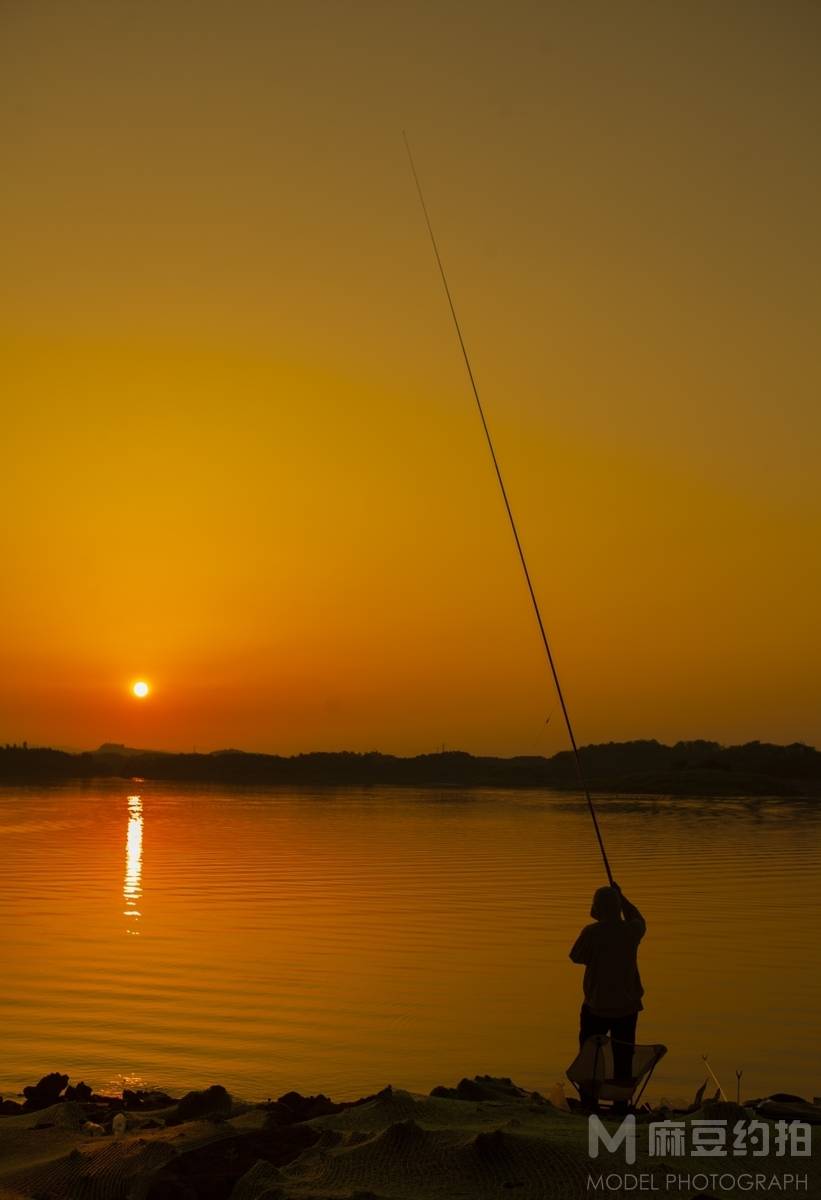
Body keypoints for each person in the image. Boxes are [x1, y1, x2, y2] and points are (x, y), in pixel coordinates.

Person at [569, 882, 646, 1084]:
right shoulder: (631, 931)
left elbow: (576, 957)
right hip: (627, 1008)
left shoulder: (591, 933)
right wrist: (623, 898)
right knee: (624, 1055)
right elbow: (639, 919)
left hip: (596, 1007)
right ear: (618, 906)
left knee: (590, 1055)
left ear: (596, 908)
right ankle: (621, 1100)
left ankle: (589, 1098)